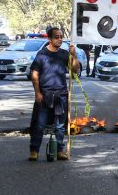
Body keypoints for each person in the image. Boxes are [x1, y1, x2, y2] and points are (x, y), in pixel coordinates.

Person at [28, 27, 80, 161]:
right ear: (49, 39)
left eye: (61, 36)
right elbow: (34, 74)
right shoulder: (42, 54)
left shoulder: (64, 54)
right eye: (57, 37)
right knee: (39, 125)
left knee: (60, 126)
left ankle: (60, 151)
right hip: (44, 94)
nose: (60, 39)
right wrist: (37, 93)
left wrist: (74, 55)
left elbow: (75, 69)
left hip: (60, 94)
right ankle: (34, 150)